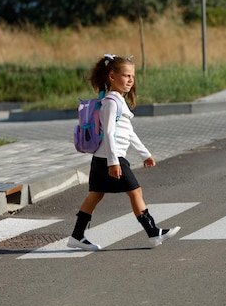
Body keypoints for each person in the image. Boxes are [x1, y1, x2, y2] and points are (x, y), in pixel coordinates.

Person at [68, 54, 180, 251]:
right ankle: (153, 233)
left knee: (96, 195)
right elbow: (110, 133)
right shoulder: (112, 102)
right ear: (112, 77)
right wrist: (114, 162)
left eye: (133, 77)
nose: (130, 80)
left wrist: (144, 154)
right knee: (135, 191)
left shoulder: (118, 100)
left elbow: (128, 132)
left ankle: (77, 236)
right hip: (110, 158)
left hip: (104, 158)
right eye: (126, 76)